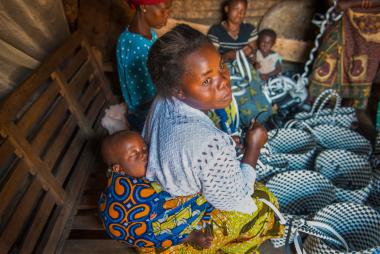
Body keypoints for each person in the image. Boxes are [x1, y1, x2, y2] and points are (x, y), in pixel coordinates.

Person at [143, 24, 283, 253]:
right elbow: (238, 200)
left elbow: (193, 149)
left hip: (154, 212)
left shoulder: (164, 98)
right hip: (173, 238)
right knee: (264, 204)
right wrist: (254, 147)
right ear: (179, 90)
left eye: (221, 66)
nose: (223, 81)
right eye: (207, 81)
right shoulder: (211, 145)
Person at [98, 130, 214, 250]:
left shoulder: (136, 172)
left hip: (134, 228)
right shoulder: (132, 191)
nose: (143, 155)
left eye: (144, 149)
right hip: (138, 232)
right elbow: (171, 196)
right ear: (118, 169)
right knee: (197, 193)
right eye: (134, 154)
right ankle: (187, 236)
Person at [207, 0, 273, 128]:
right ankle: (244, 120)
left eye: (243, 10)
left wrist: (254, 61)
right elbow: (212, 58)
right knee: (237, 92)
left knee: (255, 86)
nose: (240, 14)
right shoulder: (216, 31)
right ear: (227, 9)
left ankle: (262, 116)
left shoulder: (249, 30)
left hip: (245, 67)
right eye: (236, 9)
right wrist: (227, 55)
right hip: (226, 68)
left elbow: (252, 53)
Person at [309, 0, 380, 109]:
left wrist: (352, 3)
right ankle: (321, 107)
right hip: (342, 16)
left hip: (371, 22)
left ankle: (349, 112)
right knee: (327, 60)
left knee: (361, 68)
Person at [116, 0, 172, 131]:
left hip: (150, 109)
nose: (167, 15)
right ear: (144, 6)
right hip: (145, 118)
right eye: (164, 10)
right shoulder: (136, 46)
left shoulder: (145, 34)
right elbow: (144, 98)